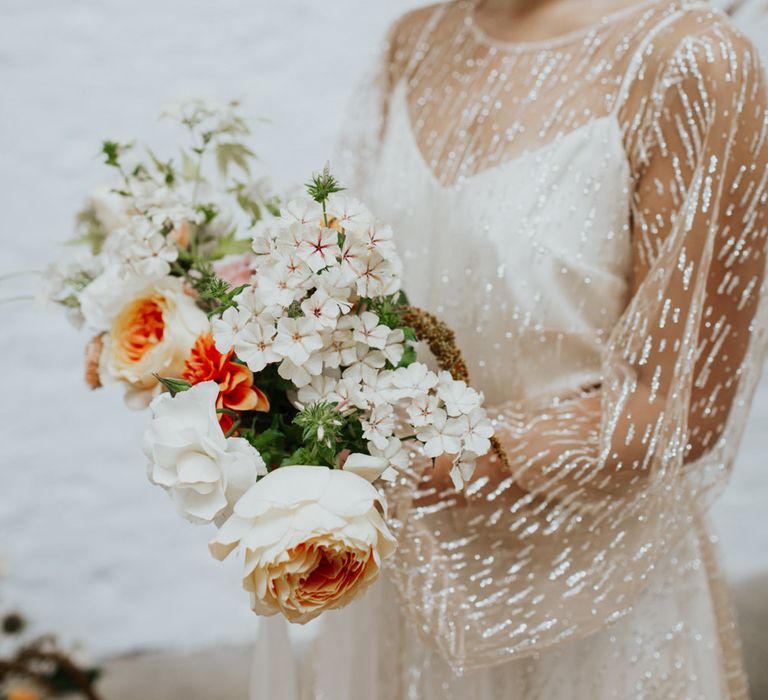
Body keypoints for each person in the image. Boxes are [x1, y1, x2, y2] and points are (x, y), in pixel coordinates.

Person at [256, 1, 768, 697]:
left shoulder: (692, 61)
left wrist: (422, 461)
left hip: (588, 601)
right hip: (402, 578)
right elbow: (359, 288)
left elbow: (677, 406)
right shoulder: (417, 39)